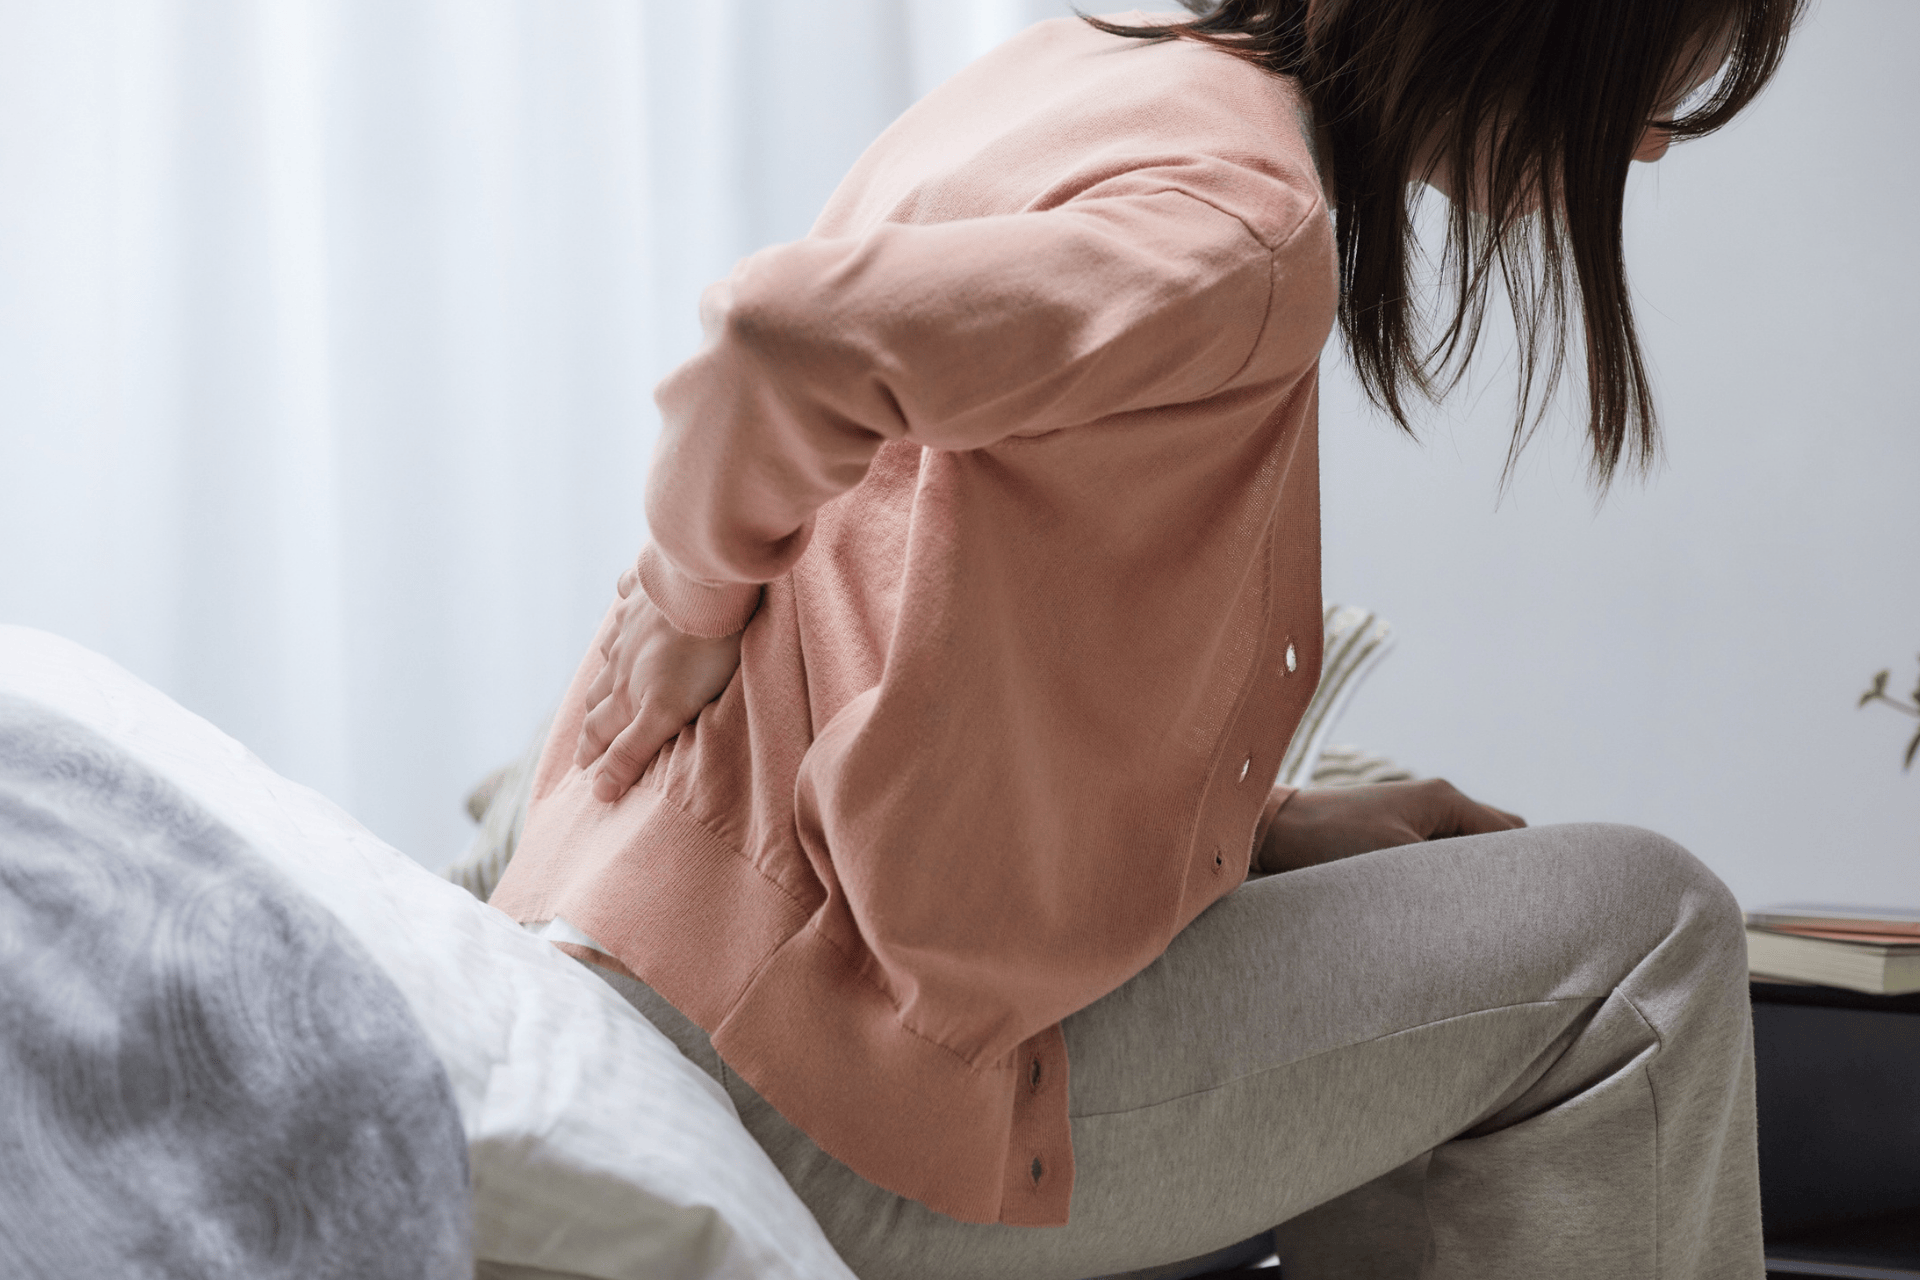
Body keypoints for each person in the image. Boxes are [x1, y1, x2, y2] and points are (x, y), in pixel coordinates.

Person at [489, 1, 1802, 1276]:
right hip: (826, 1099)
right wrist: (685, 604)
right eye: (1654, 85)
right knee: (1649, 934)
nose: (1646, 146)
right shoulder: (1242, 230)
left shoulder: (1074, 73)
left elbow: (934, 643)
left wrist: (1260, 833)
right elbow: (779, 340)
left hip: (654, 966)